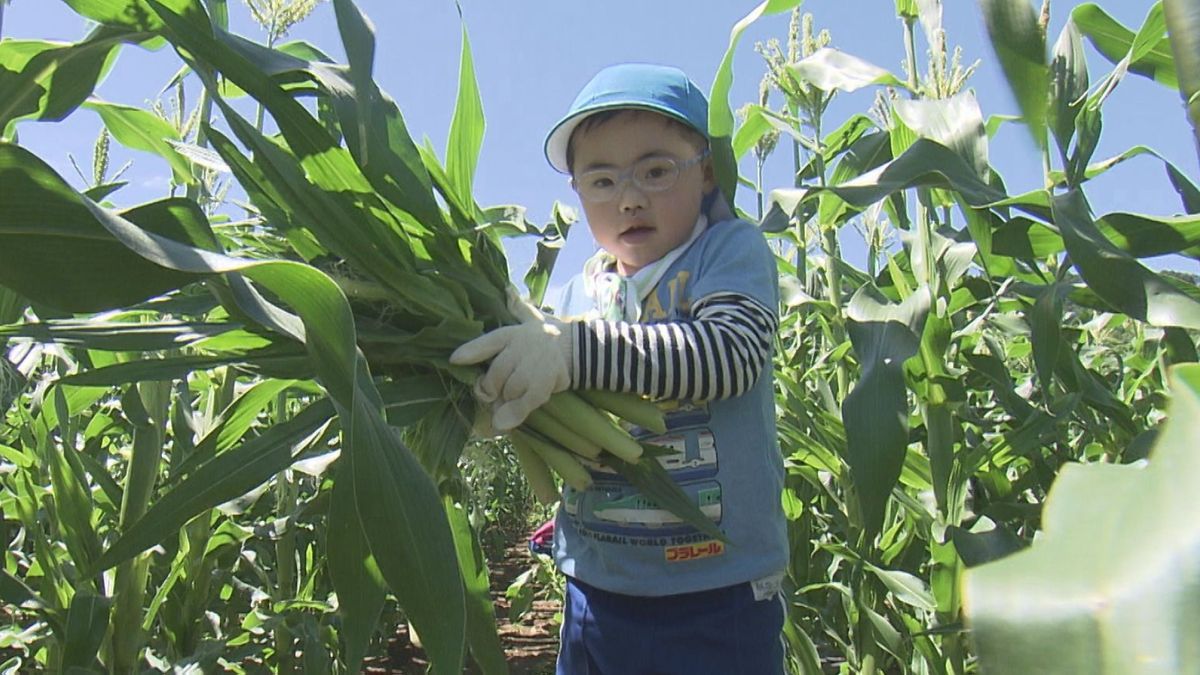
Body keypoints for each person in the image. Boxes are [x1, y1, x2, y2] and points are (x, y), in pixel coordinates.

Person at [450, 63, 788, 674]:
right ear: (578, 193)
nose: (629, 197)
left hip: (718, 595)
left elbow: (730, 355)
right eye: (601, 181)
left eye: (656, 171)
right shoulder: (579, 296)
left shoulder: (726, 251)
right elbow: (553, 412)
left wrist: (573, 353)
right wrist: (499, 398)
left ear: (706, 171)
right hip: (596, 598)